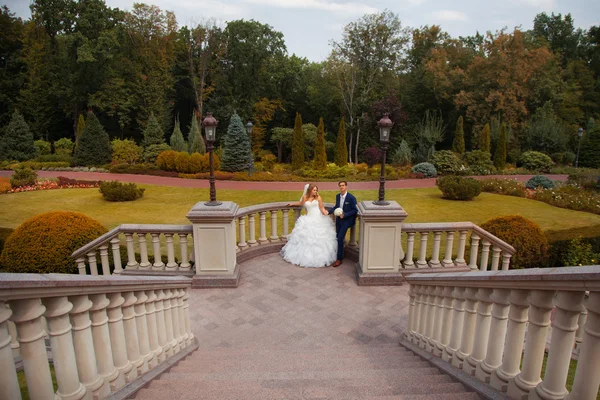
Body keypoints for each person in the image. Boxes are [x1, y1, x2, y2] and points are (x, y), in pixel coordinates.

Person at [280, 183, 337, 268]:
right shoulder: (305, 197)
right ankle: (303, 257)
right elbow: (301, 203)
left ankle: (320, 258)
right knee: (305, 239)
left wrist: (326, 212)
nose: (316, 192)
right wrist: (292, 204)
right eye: (314, 190)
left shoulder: (318, 197)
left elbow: (322, 208)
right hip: (308, 218)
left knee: (318, 239)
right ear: (310, 190)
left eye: (316, 190)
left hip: (319, 219)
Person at [328, 181, 358, 267]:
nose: (341, 187)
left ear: (346, 187)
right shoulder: (338, 196)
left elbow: (355, 210)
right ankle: (339, 253)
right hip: (339, 220)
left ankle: (339, 259)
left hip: (347, 220)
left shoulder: (351, 198)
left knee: (340, 237)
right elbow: (336, 207)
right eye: (340, 186)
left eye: (343, 185)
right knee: (338, 237)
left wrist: (345, 215)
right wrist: (328, 212)